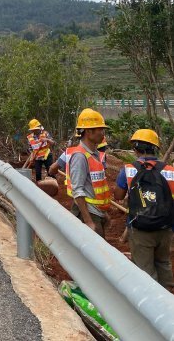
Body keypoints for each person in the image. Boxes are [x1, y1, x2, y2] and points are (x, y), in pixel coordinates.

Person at [113, 129, 174, 291]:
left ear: (136, 148)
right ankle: (168, 297)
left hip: (140, 229)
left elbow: (118, 195)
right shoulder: (169, 170)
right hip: (165, 229)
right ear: (155, 148)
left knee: (145, 270)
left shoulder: (128, 169)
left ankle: (151, 307)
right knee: (163, 263)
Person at [65, 108, 111, 237]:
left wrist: (103, 213)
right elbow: (77, 191)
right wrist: (89, 221)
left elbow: (93, 186)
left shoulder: (95, 155)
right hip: (89, 214)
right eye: (100, 130)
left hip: (97, 212)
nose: (103, 134)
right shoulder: (80, 156)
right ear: (89, 131)